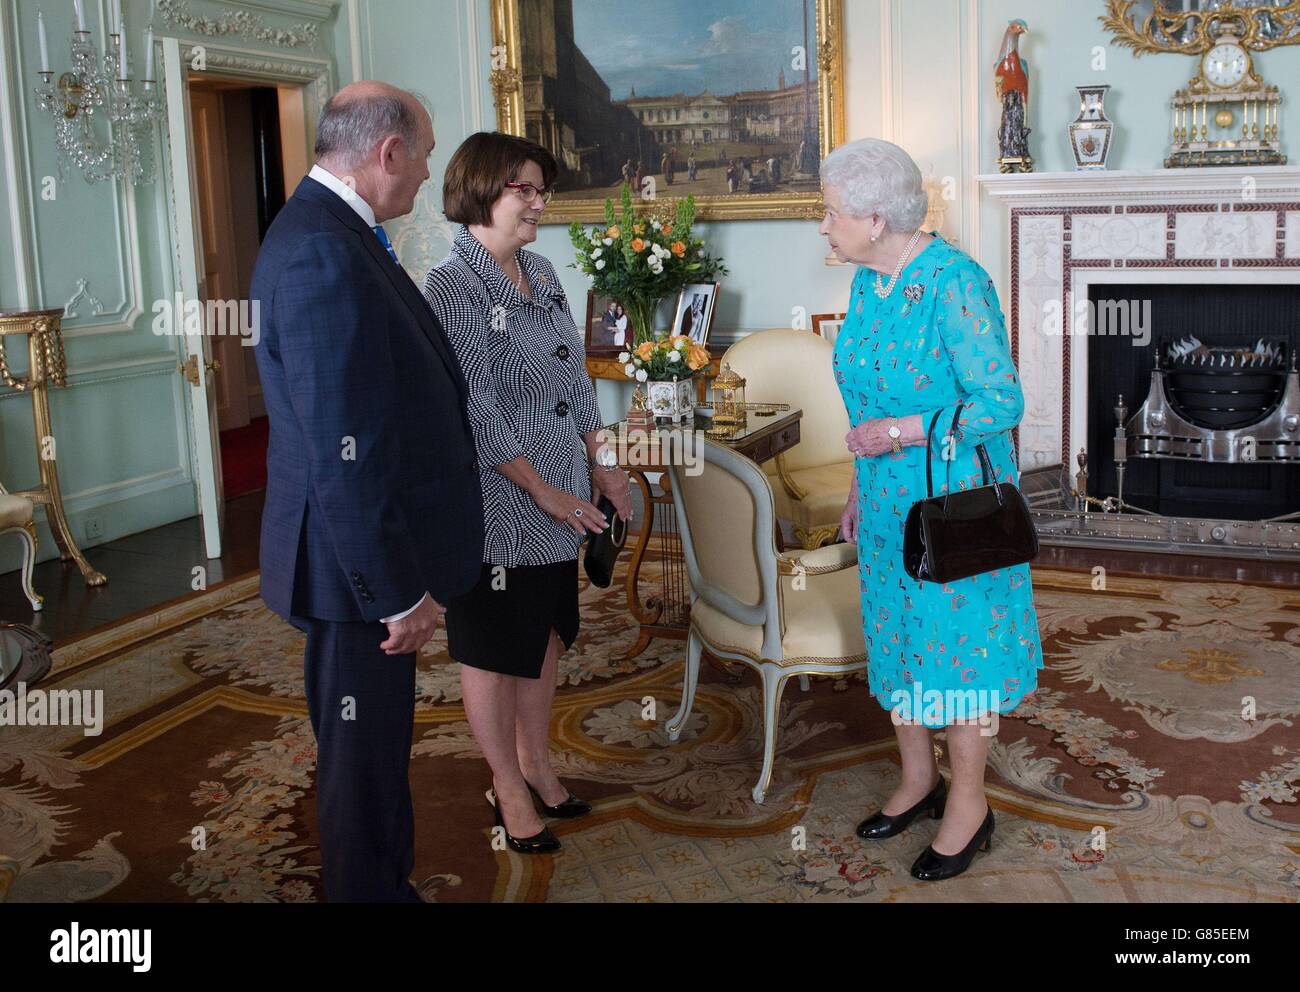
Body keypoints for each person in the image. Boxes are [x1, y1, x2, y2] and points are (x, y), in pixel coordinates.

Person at [250, 82, 483, 902]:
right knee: (362, 759)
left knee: (372, 751)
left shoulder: (337, 231)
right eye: (421, 156)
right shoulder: (322, 248)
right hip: (355, 575)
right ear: (387, 153)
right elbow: (343, 452)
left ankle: (382, 884)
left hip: (351, 562)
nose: (425, 175)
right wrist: (394, 592)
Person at [819, 137, 1043, 882]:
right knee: (900, 638)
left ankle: (970, 803)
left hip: (953, 505)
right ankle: (919, 779)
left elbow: (1001, 402)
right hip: (885, 501)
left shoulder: (955, 282)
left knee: (961, 652)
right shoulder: (867, 284)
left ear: (875, 217)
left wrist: (899, 433)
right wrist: (859, 482)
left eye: (831, 214)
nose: (824, 227)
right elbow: (865, 397)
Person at [423, 132, 634, 854]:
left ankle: (539, 765)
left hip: (563, 495)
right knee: (491, 646)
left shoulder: (541, 270)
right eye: (527, 190)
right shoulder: (451, 286)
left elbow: (575, 381)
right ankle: (505, 784)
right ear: (482, 190)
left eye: (542, 190)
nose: (540, 203)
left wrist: (600, 465)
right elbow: (474, 403)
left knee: (542, 633)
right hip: (496, 500)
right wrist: (540, 488)